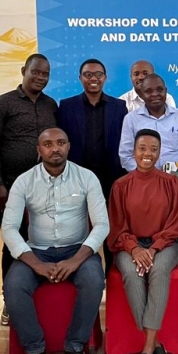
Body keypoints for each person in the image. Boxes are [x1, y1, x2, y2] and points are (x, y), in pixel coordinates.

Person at [1, 128, 108, 354]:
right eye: (48, 144)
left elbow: (102, 224)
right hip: (37, 251)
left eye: (60, 143)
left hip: (77, 249)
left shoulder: (86, 177)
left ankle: (75, 347)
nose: (55, 148)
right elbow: (8, 228)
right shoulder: (24, 181)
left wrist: (75, 260)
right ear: (39, 150)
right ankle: (34, 349)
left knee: (94, 280)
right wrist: (35, 263)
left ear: (69, 146)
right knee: (13, 285)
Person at [119, 74, 178, 317]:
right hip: (142, 193)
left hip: (175, 193)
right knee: (142, 237)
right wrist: (147, 180)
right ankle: (142, 294)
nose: (154, 94)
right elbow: (125, 155)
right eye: (148, 91)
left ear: (166, 90)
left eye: (159, 90)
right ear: (140, 94)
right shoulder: (131, 119)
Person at [108, 129, 178, 354]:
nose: (147, 154)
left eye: (153, 149)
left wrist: (152, 249)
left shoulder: (171, 183)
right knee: (130, 271)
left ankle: (147, 348)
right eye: (142, 148)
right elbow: (117, 227)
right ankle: (156, 346)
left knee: (160, 270)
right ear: (133, 151)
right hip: (128, 245)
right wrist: (135, 249)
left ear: (160, 152)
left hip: (163, 245)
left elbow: (175, 225)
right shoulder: (120, 185)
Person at [0, 54, 58, 285]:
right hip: (10, 188)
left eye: (45, 74)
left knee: (41, 242)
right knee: (14, 244)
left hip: (45, 190)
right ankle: (10, 299)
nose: (40, 77)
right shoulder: (2, 104)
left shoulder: (51, 105)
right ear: (23, 70)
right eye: (36, 72)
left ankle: (36, 296)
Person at [58, 58, 128, 272]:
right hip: (76, 181)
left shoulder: (119, 106)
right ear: (80, 78)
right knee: (80, 232)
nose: (93, 79)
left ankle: (112, 280)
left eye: (98, 74)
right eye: (88, 75)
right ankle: (88, 281)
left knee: (110, 231)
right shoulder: (67, 106)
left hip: (111, 180)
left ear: (105, 78)